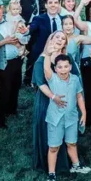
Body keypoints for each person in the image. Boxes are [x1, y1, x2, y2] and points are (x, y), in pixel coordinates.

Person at [38, 54, 90, 181]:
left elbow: (79, 96)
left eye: (66, 66)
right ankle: (51, 174)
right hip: (55, 119)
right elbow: (46, 68)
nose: (63, 70)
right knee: (53, 147)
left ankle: (76, 165)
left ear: (70, 67)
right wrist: (48, 53)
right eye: (60, 67)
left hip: (71, 118)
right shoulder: (52, 78)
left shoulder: (75, 79)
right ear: (55, 69)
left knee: (72, 143)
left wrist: (83, 113)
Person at [0, 0, 28, 129]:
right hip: (1, 63)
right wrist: (5, 41)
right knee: (3, 90)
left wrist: (21, 38)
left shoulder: (9, 19)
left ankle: (12, 110)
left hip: (16, 60)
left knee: (15, 85)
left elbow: (22, 37)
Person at [32, 32, 67, 172]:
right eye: (57, 37)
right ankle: (49, 164)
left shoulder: (65, 60)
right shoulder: (41, 60)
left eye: (63, 38)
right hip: (46, 100)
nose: (60, 39)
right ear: (50, 39)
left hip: (63, 99)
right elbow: (41, 83)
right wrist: (54, 97)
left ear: (65, 44)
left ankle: (64, 158)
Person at [26, 0, 66, 85]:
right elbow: (32, 28)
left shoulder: (63, 19)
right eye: (50, 3)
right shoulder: (38, 19)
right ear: (46, 5)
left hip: (57, 54)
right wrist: (26, 31)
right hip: (41, 52)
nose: (53, 5)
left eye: (56, 3)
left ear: (59, 5)